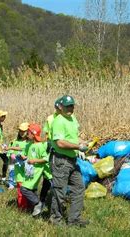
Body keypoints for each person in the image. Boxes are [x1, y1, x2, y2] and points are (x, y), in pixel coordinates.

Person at [50, 95, 89, 227]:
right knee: (59, 191)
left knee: (79, 188)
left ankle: (74, 220)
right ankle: (56, 220)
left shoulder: (72, 118)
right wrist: (78, 147)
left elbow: (73, 137)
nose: (70, 108)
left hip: (72, 160)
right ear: (60, 107)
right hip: (61, 160)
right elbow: (60, 142)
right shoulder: (58, 121)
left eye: (72, 105)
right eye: (67, 106)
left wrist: (82, 142)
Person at [20, 124, 50, 217]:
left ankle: (38, 203)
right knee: (32, 189)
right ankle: (36, 211)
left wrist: (34, 160)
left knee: (24, 188)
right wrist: (23, 156)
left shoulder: (40, 146)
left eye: (28, 132)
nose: (26, 134)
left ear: (33, 134)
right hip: (29, 171)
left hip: (36, 170)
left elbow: (46, 159)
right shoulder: (29, 144)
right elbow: (25, 153)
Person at [6, 122, 29, 191]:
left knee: (24, 175)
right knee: (12, 172)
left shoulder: (29, 142)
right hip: (15, 163)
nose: (22, 133)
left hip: (25, 163)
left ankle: (24, 186)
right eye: (20, 131)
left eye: (24, 131)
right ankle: (11, 184)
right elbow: (10, 149)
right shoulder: (15, 141)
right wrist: (11, 153)